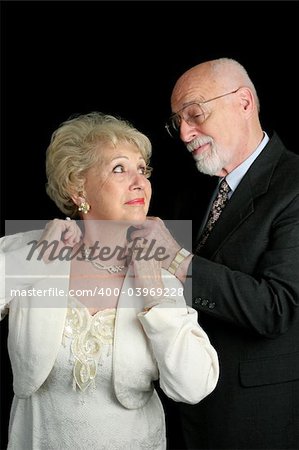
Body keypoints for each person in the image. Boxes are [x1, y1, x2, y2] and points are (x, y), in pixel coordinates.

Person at [0, 112, 219, 449]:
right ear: (77, 187)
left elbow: (194, 386)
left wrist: (155, 296)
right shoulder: (28, 250)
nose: (139, 182)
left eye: (142, 170)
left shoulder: (161, 276)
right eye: (120, 168)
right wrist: (31, 261)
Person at [132, 57, 299, 449]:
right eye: (178, 122)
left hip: (255, 419)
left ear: (244, 102)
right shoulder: (196, 188)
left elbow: (278, 307)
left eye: (194, 114)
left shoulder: (293, 184)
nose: (186, 133)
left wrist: (175, 259)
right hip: (182, 411)